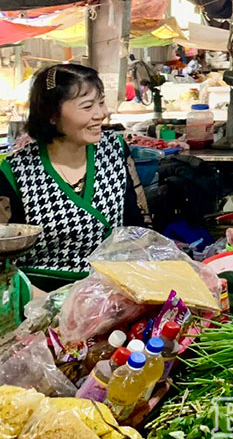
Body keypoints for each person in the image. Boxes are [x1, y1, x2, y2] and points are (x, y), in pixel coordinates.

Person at [0, 64, 149, 290]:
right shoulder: (16, 170)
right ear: (52, 114)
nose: (101, 114)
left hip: (110, 291)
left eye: (100, 102)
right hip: (38, 296)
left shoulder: (114, 150)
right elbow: (5, 254)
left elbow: (138, 226)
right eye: (87, 106)